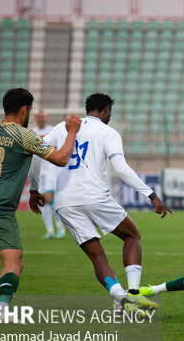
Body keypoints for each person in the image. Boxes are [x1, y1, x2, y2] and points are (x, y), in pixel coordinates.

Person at [30, 93, 173, 316]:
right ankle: (133, 293)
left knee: (97, 257)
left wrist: (33, 189)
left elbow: (36, 154)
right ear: (106, 110)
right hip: (95, 196)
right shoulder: (108, 132)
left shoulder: (61, 128)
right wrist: (151, 195)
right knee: (132, 235)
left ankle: (120, 297)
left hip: (65, 202)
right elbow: (122, 168)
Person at [0, 88, 81, 320]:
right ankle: (1, 310)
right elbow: (61, 158)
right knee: (14, 263)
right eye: (29, 109)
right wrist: (72, 132)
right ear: (24, 109)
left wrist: (33, 188)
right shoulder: (25, 136)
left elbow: (23, 150)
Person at [31, 110, 66, 239]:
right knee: (42, 201)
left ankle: (60, 226)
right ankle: (50, 230)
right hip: (39, 171)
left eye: (42, 117)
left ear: (46, 118)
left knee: (50, 199)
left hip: (51, 169)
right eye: (38, 117)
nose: (40, 119)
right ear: (35, 119)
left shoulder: (52, 130)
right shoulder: (32, 132)